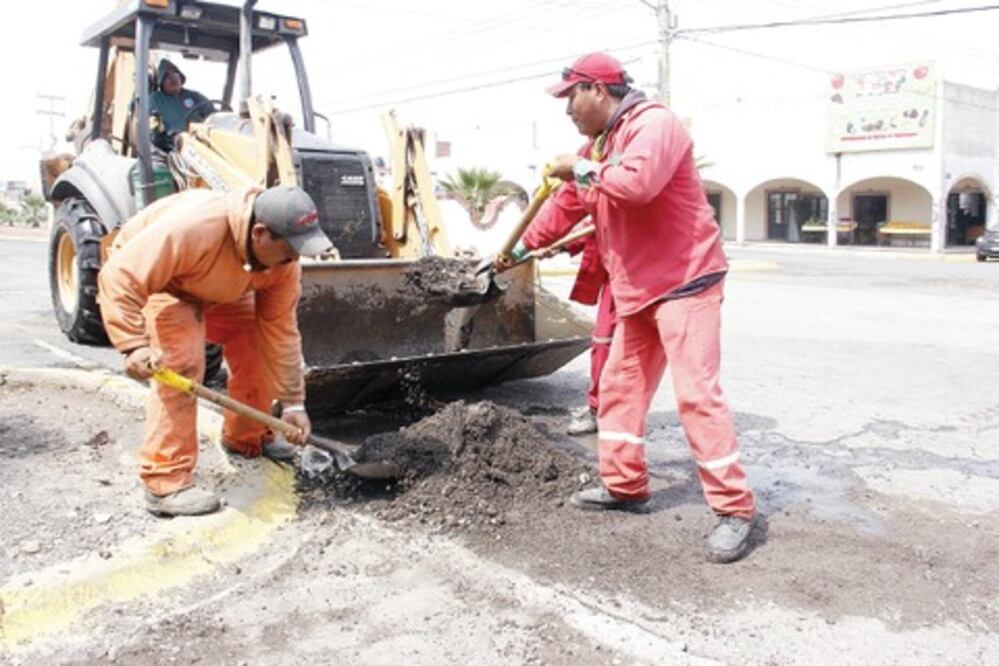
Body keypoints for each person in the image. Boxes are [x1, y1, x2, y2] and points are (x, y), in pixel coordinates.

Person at [501, 53, 758, 563]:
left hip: (686, 280)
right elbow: (564, 207)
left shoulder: (654, 126)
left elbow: (637, 186)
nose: (566, 110)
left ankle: (735, 509)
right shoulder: (599, 146)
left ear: (598, 89)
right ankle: (623, 485)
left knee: (696, 396)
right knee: (619, 388)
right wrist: (516, 251)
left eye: (570, 97)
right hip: (638, 288)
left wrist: (578, 168)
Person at [98, 185, 334, 517]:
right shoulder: (194, 227)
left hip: (222, 284)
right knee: (182, 363)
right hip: (165, 283)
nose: (294, 259)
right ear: (260, 233)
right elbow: (120, 276)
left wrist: (294, 403)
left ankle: (245, 438)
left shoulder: (282, 265)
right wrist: (133, 343)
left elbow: (280, 333)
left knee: (257, 344)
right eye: (290, 250)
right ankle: (165, 482)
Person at [523, 224, 614, 437]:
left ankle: (607, 412)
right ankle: (600, 409)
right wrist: (557, 245)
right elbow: (596, 227)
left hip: (650, 277)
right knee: (603, 343)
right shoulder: (605, 202)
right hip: (618, 277)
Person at [149, 59, 212, 150]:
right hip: (169, 151)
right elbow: (152, 128)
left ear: (180, 77)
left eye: (175, 73)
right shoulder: (155, 100)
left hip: (199, 148)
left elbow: (213, 114)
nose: (173, 78)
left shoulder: (195, 97)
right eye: (167, 76)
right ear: (161, 82)